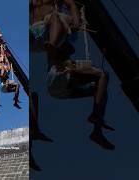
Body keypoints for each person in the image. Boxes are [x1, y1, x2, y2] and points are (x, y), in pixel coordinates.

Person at [31, 0, 115, 150]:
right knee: (102, 76)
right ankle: (96, 121)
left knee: (100, 86)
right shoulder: (57, 32)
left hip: (59, 86)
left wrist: (76, 21)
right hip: (59, 77)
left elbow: (71, 4)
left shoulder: (59, 30)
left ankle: (97, 127)